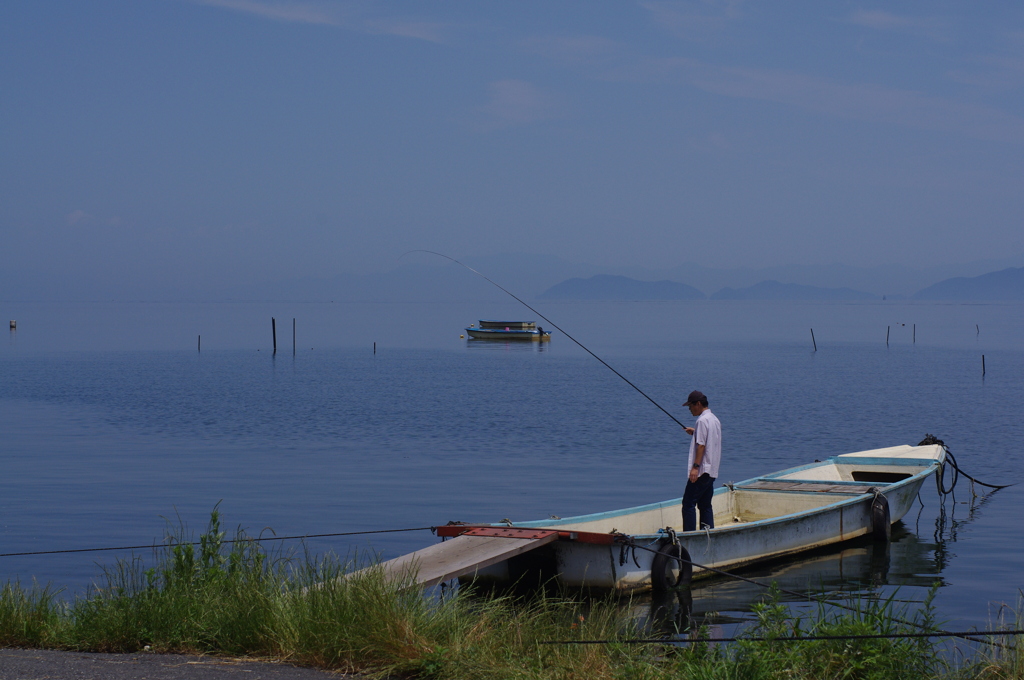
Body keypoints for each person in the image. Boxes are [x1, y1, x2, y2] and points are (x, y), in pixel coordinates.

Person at [681, 390, 721, 532]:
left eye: (690, 406)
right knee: (705, 505)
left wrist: (695, 467)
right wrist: (695, 432)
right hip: (711, 470)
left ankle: (689, 536)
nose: (690, 409)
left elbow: (702, 446)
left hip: (702, 470)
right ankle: (707, 534)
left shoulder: (702, 421)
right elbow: (710, 439)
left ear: (698, 404)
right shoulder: (714, 419)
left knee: (688, 504)